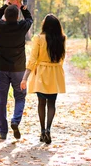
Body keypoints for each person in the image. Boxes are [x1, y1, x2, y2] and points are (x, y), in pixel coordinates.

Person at [20, 14, 66, 145]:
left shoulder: (39, 38)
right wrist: (57, 69)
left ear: (45, 25)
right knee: (52, 103)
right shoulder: (62, 38)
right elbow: (62, 58)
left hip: (41, 73)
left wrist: (25, 78)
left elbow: (33, 59)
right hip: (55, 73)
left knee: (41, 103)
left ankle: (42, 131)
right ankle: (49, 129)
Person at [0, 2, 33, 140]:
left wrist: (6, 5)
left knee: (1, 100)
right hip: (18, 70)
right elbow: (29, 19)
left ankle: (3, 132)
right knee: (20, 97)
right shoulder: (21, 27)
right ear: (17, 17)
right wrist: (22, 7)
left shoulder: (0, 26)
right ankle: (15, 121)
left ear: (5, 16)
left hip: (2, 69)